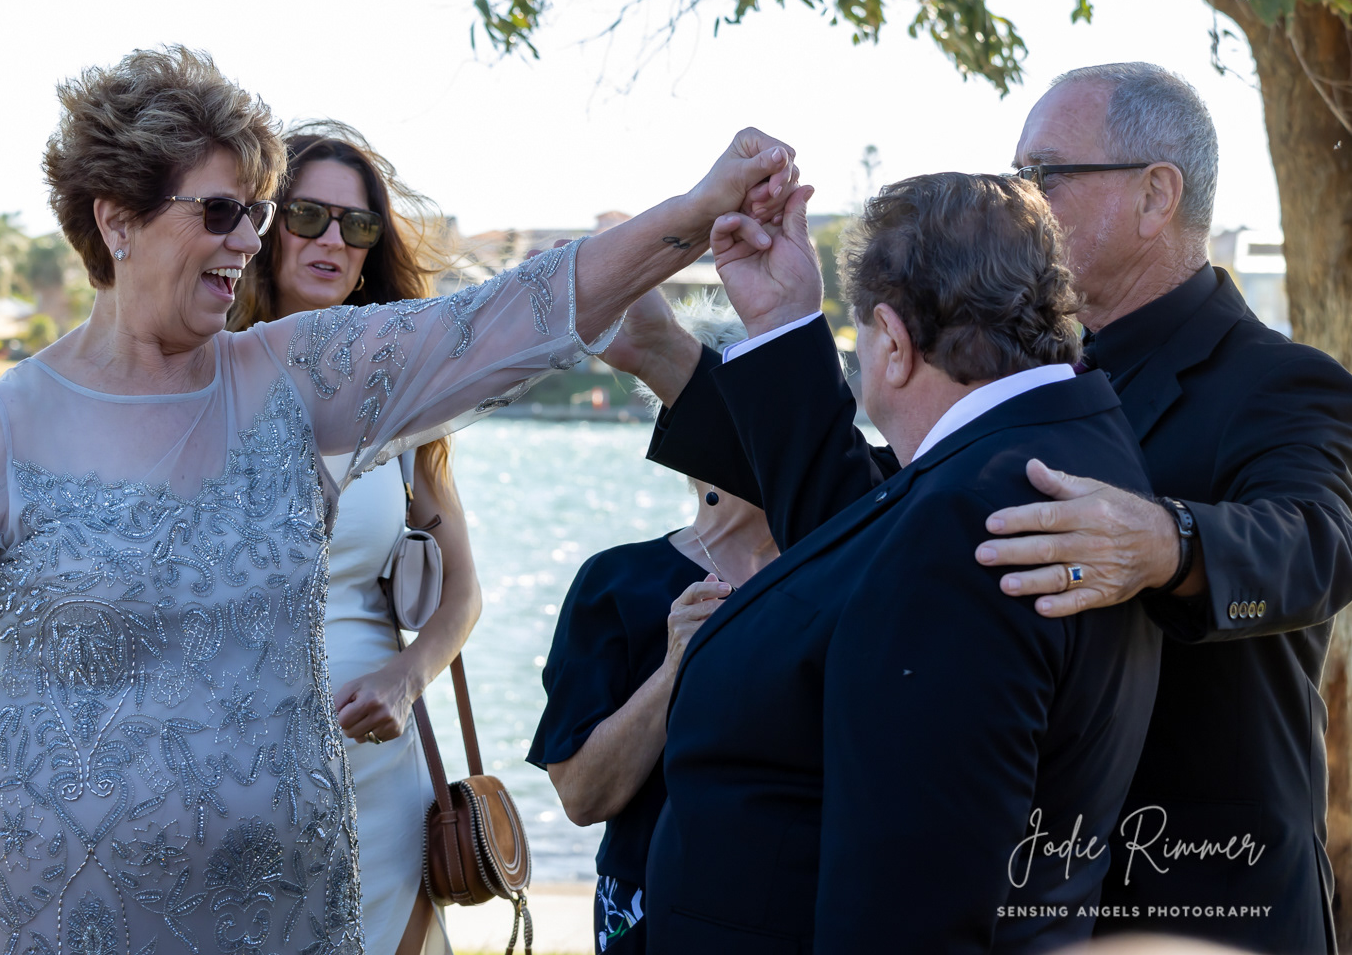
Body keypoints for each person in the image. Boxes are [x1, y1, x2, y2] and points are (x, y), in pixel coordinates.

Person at [0, 44, 799, 955]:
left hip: (289, 911)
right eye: (220, 211)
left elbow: (493, 321)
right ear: (117, 220)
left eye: (256, 214)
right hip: (62, 915)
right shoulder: (6, 427)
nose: (246, 241)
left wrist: (696, 212)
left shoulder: (289, 376)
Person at [624, 63, 1352, 953]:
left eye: (1044, 173)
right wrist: (757, 334)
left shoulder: (1277, 381)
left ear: (1156, 194)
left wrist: (1169, 542)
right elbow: (869, 528)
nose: (1025, 197)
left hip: (1199, 907)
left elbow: (1326, 543)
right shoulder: (1043, 379)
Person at [644, 172, 1161, 953]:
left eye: (861, 343)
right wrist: (782, 323)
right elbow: (855, 558)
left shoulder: (975, 519)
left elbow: (910, 905)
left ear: (891, 341)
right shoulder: (1069, 446)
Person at [226, 121, 475, 955]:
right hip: (222, 785)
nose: (333, 240)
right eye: (309, 217)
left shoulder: (402, 401)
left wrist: (407, 679)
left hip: (378, 785)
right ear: (265, 231)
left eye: (357, 225)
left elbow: (463, 595)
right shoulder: (198, 381)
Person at [527, 297, 777, 955]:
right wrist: (674, 670)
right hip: (652, 910)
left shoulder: (836, 566)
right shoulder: (618, 583)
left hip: (799, 899)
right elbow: (581, 797)